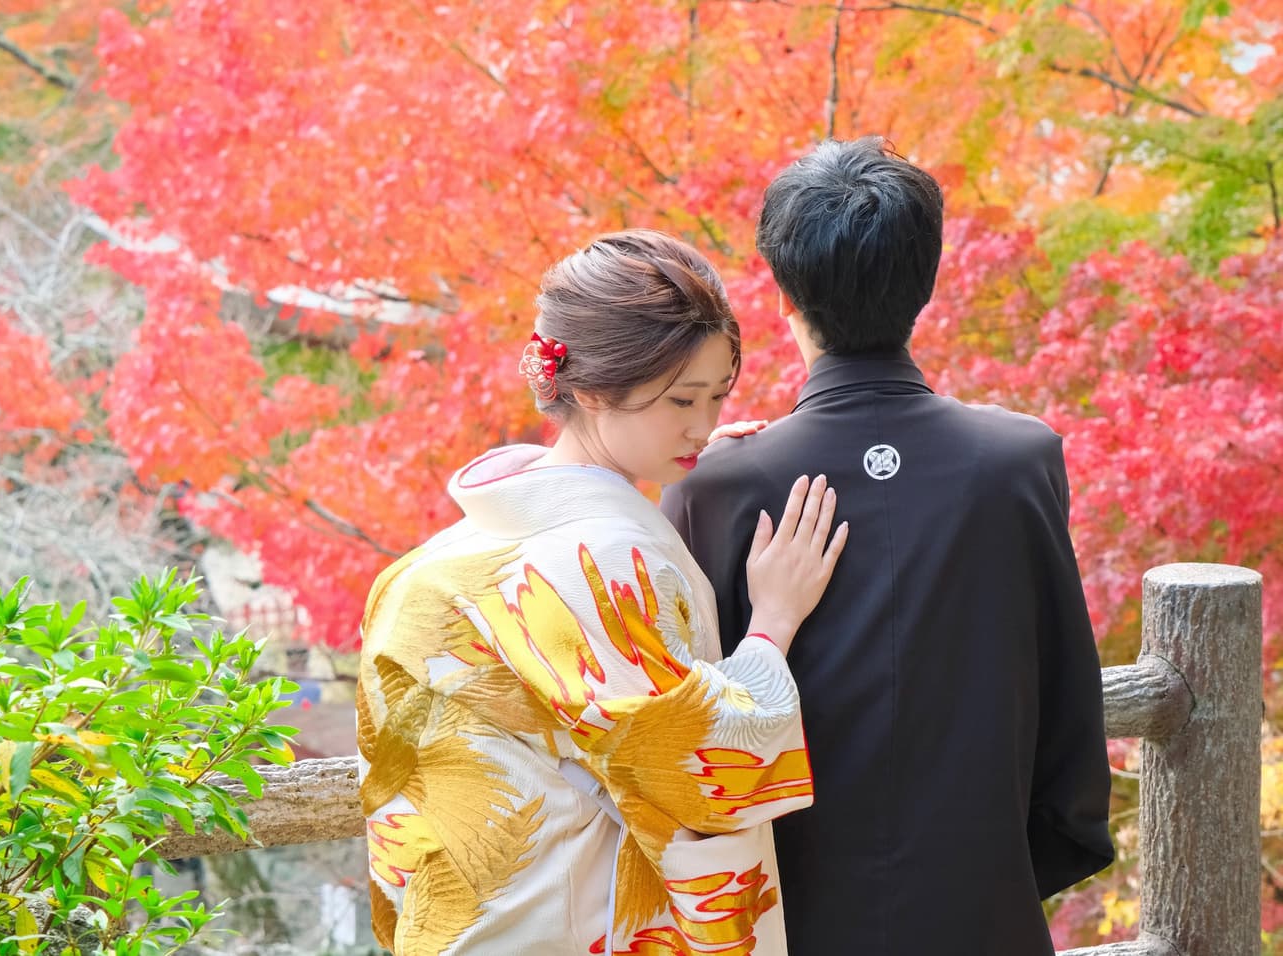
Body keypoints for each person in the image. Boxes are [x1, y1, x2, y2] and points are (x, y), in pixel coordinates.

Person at [661, 138, 1115, 954]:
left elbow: (695, 746)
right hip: (983, 906)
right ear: (926, 281)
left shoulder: (717, 490)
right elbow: (1069, 708)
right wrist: (991, 874)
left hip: (797, 920)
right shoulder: (1020, 462)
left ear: (782, 294)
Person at [356, 229, 848, 955]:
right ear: (589, 390)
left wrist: (669, 453)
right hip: (562, 921)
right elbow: (691, 765)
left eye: (716, 395)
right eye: (681, 400)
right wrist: (772, 624)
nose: (705, 425)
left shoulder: (448, 556)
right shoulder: (602, 559)